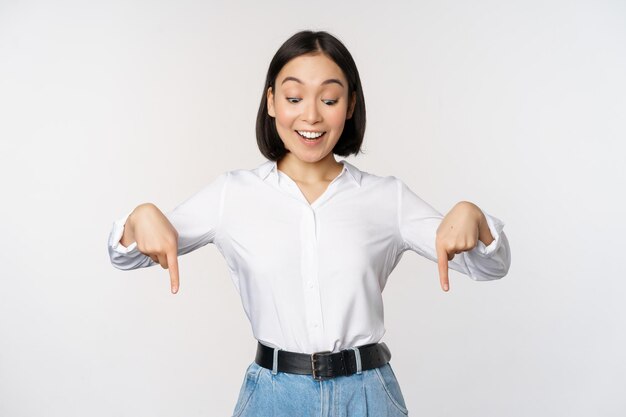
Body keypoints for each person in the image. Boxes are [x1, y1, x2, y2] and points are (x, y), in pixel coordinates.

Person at [107, 30, 511, 417]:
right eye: (295, 96)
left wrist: (474, 217)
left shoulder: (387, 199)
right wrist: (139, 218)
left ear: (350, 105)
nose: (311, 115)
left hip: (367, 395)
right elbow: (128, 256)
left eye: (330, 99)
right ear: (271, 102)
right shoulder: (232, 194)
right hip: (273, 397)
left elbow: (490, 266)